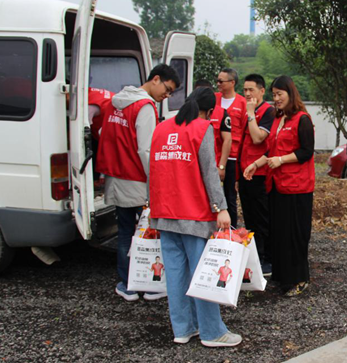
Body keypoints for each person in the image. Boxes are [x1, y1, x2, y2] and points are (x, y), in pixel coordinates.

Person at [148, 86, 242, 347]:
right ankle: (212, 331)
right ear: (210, 111)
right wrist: (220, 206)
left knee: (176, 274)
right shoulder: (201, 129)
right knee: (204, 274)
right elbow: (210, 173)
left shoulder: (161, 128)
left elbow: (153, 169)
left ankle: (182, 329)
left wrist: (152, 208)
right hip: (194, 214)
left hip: (165, 212)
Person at [96, 64, 179, 302]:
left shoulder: (116, 101)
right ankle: (151, 285)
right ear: (156, 79)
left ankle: (127, 284)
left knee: (124, 232)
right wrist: (157, 180)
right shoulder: (144, 107)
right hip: (137, 179)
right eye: (167, 89)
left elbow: (103, 133)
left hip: (115, 176)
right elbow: (146, 149)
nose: (167, 95)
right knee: (149, 233)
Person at [243, 75, 314, 297]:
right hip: (277, 185)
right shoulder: (277, 119)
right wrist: (256, 163)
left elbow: (306, 151)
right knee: (279, 233)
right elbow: (271, 150)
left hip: (297, 187)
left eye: (279, 94)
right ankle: (282, 276)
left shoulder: (302, 119)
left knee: (295, 234)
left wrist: (281, 160)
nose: (276, 99)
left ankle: (299, 278)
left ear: (290, 94)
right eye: (273, 95)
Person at [239, 74, 275, 275]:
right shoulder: (249, 111)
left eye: (251, 89)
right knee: (250, 217)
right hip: (245, 172)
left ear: (262, 91)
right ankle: (255, 256)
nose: (247, 94)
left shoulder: (267, 112)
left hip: (260, 172)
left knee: (261, 218)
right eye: (244, 90)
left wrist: (251, 113)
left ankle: (266, 259)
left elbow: (257, 138)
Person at [212, 68, 247, 228]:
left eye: (221, 81)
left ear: (232, 83)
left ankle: (231, 231)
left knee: (230, 197)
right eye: (217, 80)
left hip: (233, 157)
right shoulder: (213, 99)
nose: (218, 84)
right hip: (213, 156)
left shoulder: (242, 102)